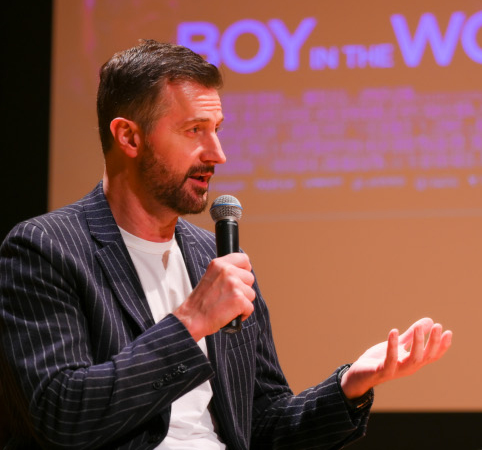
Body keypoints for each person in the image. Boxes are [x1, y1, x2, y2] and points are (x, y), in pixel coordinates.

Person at [0, 40, 452, 449]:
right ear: (129, 137)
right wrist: (192, 320)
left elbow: (267, 427)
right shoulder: (45, 249)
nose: (218, 153)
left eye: (217, 128)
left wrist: (350, 385)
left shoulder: (210, 259)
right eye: (195, 130)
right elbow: (62, 413)